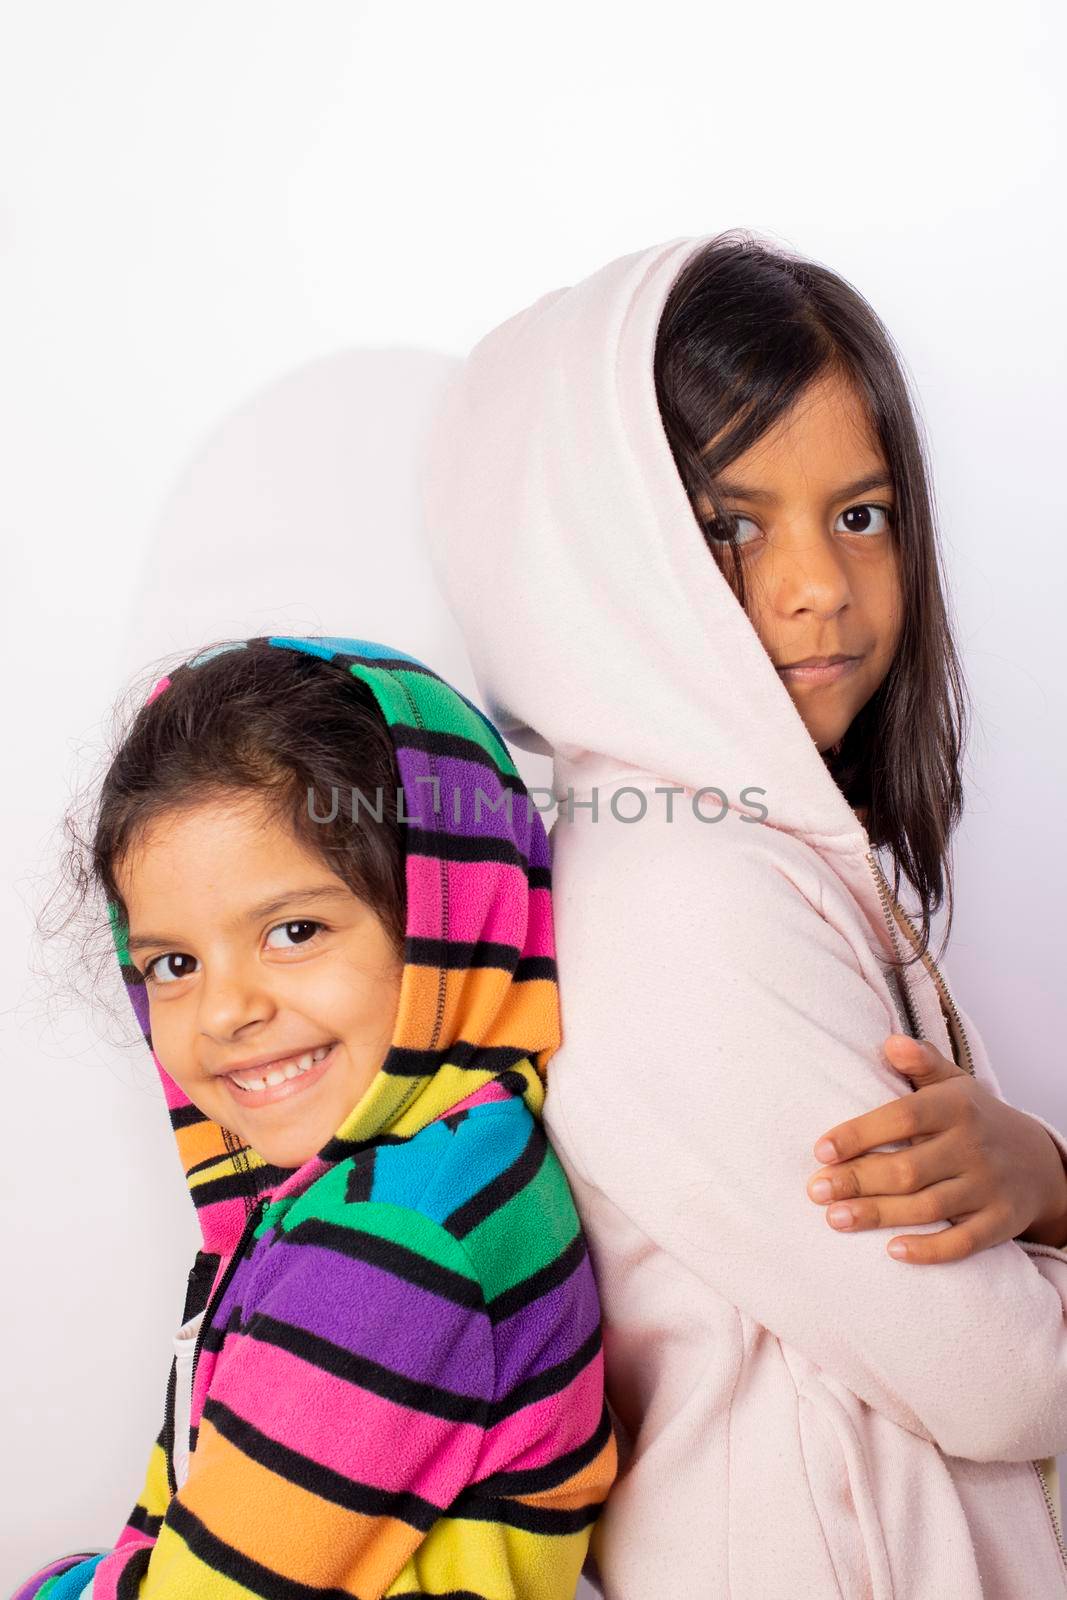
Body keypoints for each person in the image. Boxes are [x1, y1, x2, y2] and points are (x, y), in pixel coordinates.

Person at [419, 232, 1067, 1597]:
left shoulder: (741, 847)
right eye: (729, 526)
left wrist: (1043, 1186)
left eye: (858, 512)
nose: (818, 585)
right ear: (595, 557)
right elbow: (1003, 1382)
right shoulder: (682, 894)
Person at [16, 633, 617, 1599]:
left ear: (446, 917)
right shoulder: (437, 1169)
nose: (225, 1012)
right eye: (173, 964)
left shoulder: (395, 1240)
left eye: (293, 931)